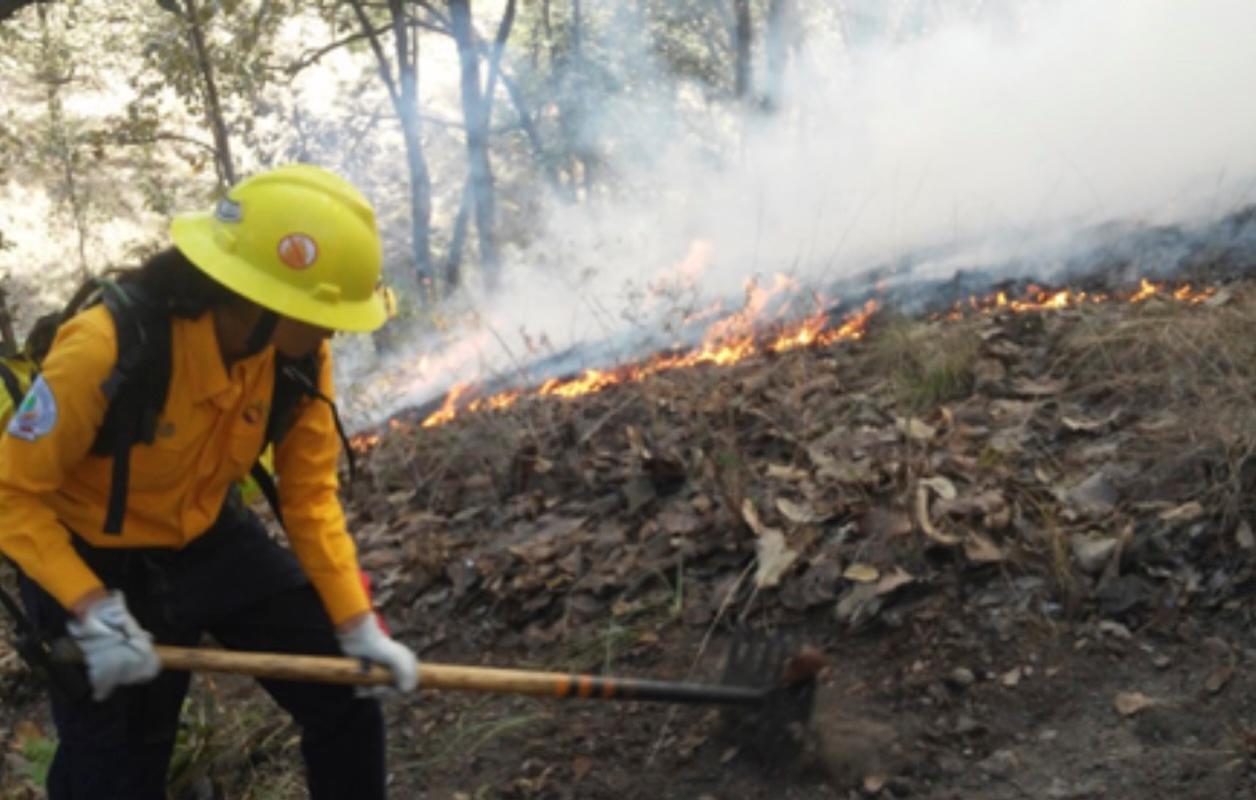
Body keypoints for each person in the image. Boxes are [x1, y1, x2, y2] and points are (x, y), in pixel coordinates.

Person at [0, 164, 418, 799]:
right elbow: (10, 493)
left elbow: (308, 496)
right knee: (116, 769)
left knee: (342, 687)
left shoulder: (298, 356)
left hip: (208, 538)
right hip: (89, 559)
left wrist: (355, 621)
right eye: (322, 313)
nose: (333, 330)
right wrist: (89, 606)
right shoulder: (106, 347)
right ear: (259, 301)